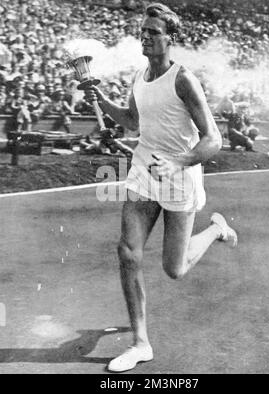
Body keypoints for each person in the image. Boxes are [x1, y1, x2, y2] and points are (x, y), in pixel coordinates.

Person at [84, 3, 237, 373]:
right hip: (142, 172)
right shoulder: (140, 76)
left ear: (171, 38)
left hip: (180, 176)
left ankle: (216, 228)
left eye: (154, 31)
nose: (146, 36)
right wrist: (101, 100)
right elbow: (133, 122)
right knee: (128, 252)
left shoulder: (183, 80)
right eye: (143, 31)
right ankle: (140, 342)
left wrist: (179, 162)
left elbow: (213, 139)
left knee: (174, 268)